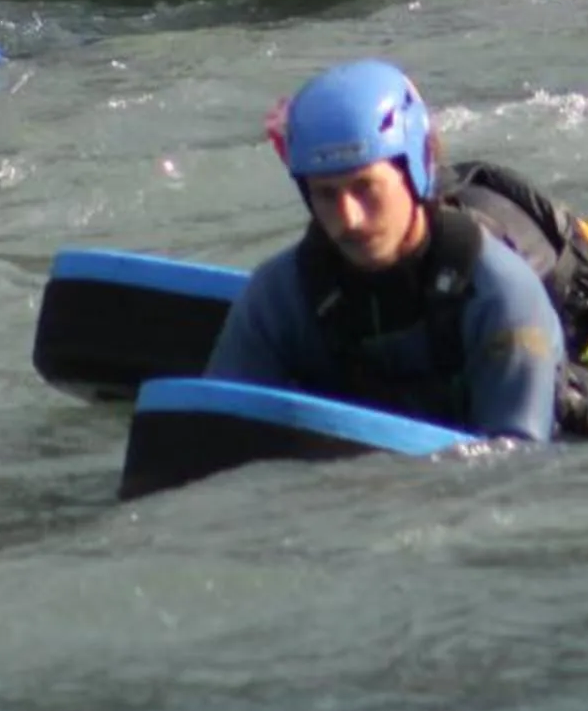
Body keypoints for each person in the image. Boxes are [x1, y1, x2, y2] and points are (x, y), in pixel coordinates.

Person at [205, 61, 567, 442]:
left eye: (365, 187)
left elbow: (517, 464)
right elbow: (213, 440)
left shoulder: (500, 295)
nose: (349, 219)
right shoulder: (277, 297)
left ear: (416, 172)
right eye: (326, 194)